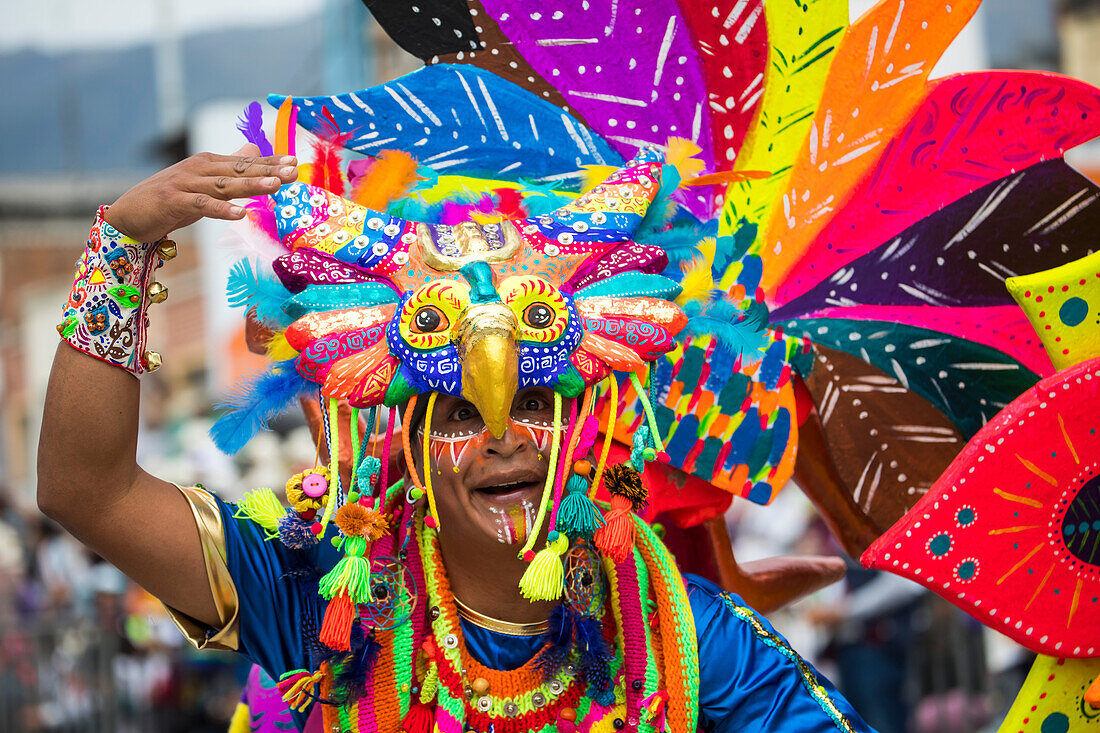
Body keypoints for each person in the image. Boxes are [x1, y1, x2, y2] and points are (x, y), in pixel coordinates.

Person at [38, 143, 876, 732]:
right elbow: (90, 492)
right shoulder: (325, 602)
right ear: (404, 441)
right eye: (463, 414)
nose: (505, 436)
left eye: (536, 398)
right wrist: (121, 245)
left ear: (583, 431)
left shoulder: (679, 636)